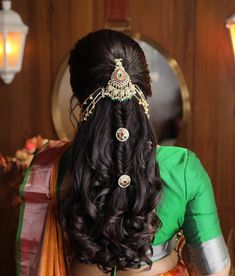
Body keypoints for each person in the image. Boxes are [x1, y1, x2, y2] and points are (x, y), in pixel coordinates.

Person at [16, 30, 231, 276]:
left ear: (78, 97)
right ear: (146, 90)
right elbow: (215, 270)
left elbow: (33, 262)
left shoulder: (49, 166)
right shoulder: (183, 168)